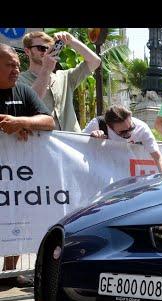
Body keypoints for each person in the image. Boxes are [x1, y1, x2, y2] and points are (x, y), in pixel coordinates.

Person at [0, 44, 55, 287]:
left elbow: (48, 121)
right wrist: (7, 126)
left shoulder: (23, 91)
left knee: (17, 215)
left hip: (18, 175)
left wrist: (23, 122)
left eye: (17, 66)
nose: (15, 70)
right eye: (10, 65)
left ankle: (9, 272)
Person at [19, 31, 101, 132]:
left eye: (49, 48)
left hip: (71, 142)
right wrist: (46, 70)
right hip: (42, 144)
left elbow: (95, 61)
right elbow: (29, 106)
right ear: (27, 51)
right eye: (41, 48)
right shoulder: (19, 80)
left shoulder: (64, 76)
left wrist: (71, 40)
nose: (45, 52)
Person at [84, 105, 162, 173]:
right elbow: (76, 145)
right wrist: (91, 139)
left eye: (131, 128)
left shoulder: (142, 128)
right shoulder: (98, 124)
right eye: (123, 132)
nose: (128, 133)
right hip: (104, 171)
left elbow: (158, 157)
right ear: (109, 126)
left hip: (129, 174)